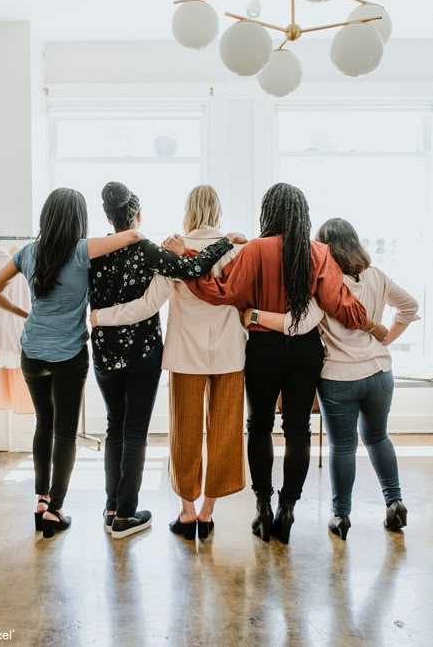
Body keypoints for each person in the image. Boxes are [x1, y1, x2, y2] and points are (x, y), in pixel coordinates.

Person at [185, 182, 386, 543]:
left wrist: (189, 267)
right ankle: (288, 508)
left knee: (259, 426)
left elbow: (226, 292)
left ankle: (262, 506)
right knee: (298, 431)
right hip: (305, 353)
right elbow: (337, 302)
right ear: (302, 214)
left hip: (263, 349)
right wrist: (367, 322)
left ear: (268, 212)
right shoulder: (318, 252)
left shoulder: (254, 250)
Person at [244, 218, 419, 540]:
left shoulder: (326, 283)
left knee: (343, 447)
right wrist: (385, 341)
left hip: (340, 377)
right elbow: (409, 307)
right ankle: (395, 502)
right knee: (378, 437)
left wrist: (253, 315)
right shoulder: (377, 276)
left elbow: (298, 325)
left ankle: (341, 516)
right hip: (380, 372)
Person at [90, 184, 247, 540]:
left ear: (188, 211)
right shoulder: (236, 247)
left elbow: (148, 305)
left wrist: (101, 316)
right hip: (229, 353)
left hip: (186, 354)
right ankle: (208, 512)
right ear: (218, 210)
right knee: (224, 433)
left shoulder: (171, 249)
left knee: (185, 431)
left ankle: (187, 511)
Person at [0, 188, 143, 538]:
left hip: (32, 351)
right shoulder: (81, 250)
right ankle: (56, 509)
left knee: (44, 423)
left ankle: (41, 500)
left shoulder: (28, 251)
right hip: (69, 356)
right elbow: (131, 235)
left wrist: (23, 313)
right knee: (65, 433)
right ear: (78, 219)